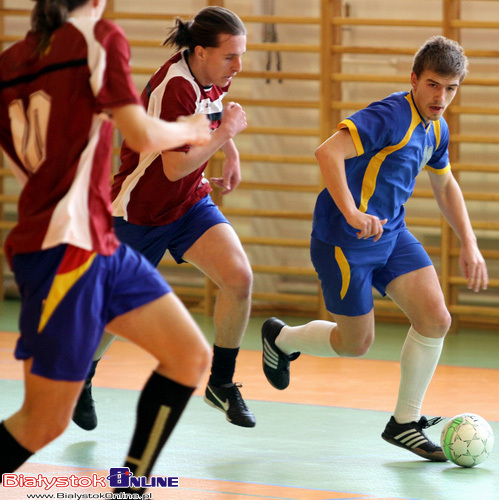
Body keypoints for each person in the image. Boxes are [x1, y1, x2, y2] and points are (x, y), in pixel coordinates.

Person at [0, 0, 213, 493]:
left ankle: (129, 486)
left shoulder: (11, 64)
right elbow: (139, 133)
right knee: (42, 422)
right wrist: (191, 129)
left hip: (98, 242)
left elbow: (27, 166)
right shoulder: (96, 37)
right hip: (65, 251)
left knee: (187, 356)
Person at [261, 35, 489, 461]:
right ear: (415, 80)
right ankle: (281, 337)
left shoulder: (436, 127)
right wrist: (350, 212)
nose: (442, 97)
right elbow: (327, 152)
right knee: (355, 344)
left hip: (391, 234)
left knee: (436, 318)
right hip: (344, 241)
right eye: (434, 85)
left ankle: (404, 423)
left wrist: (469, 242)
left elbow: (445, 185)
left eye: (451, 88)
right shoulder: (390, 114)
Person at [72, 5, 255, 430]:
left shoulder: (211, 75)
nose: (238, 65)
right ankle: (82, 377)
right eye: (231, 56)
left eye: (241, 54)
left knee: (239, 277)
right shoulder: (174, 87)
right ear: (200, 52)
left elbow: (211, 113)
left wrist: (229, 150)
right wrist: (226, 135)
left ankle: (221, 383)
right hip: (142, 211)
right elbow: (175, 167)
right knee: (116, 312)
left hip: (188, 204)